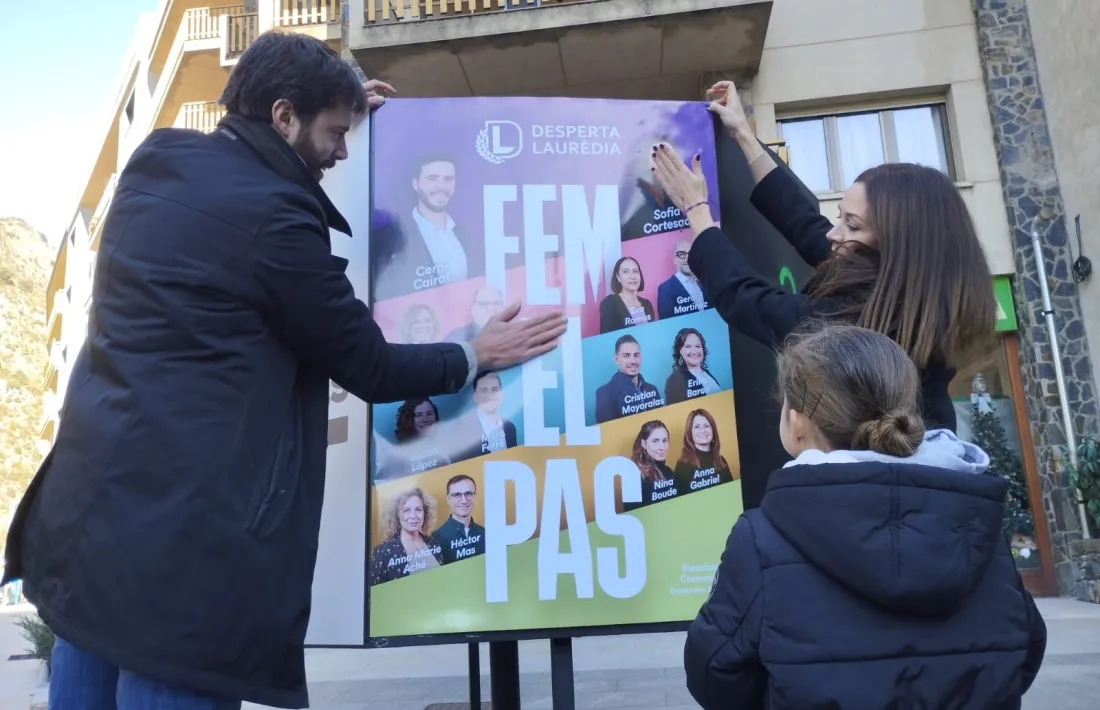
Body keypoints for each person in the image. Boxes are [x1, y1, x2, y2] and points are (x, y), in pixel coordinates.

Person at [0, 32, 566, 710]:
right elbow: (370, 363)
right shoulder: (277, 219)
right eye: (334, 131)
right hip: (184, 573)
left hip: (90, 537)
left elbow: (242, 223)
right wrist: (480, 352)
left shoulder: (156, 163)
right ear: (282, 116)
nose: (343, 150)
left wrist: (345, 106)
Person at [683, 323, 1046, 710]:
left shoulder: (759, 538)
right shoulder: (974, 516)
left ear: (798, 420)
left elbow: (713, 672)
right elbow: (1024, 649)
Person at [649, 81, 997, 433]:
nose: (833, 234)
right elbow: (805, 225)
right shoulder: (918, 294)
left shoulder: (864, 321)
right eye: (840, 217)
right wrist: (743, 134)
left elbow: (752, 302)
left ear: (897, 247)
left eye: (853, 225)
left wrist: (696, 211)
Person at [372, 151, 483, 302]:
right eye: (432, 179)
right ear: (415, 184)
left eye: (448, 179)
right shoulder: (395, 235)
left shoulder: (465, 237)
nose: (441, 186)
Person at [368, 488, 445, 585]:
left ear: (425, 514)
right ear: (397, 515)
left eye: (418, 509)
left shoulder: (433, 543)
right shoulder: (383, 552)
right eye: (406, 510)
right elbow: (375, 595)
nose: (413, 516)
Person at [376, 398, 452, 480]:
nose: (425, 419)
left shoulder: (449, 443)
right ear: (409, 420)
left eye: (429, 414)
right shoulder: (397, 456)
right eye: (418, 415)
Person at [594, 334, 663, 424]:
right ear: (616, 359)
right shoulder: (605, 393)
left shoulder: (652, 389)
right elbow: (608, 433)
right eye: (626, 356)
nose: (633, 361)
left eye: (636, 355)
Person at [457, 370, 517, 459]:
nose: (490, 395)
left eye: (495, 389)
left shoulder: (509, 427)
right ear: (475, 397)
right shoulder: (462, 430)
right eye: (484, 390)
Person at [672, 409, 733, 494]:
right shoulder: (682, 464)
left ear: (713, 429)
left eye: (706, 426)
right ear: (690, 432)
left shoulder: (721, 460)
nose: (703, 431)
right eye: (697, 427)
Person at [624, 421, 678, 512]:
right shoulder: (633, 477)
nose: (662, 447)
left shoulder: (668, 471)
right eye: (655, 441)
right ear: (644, 444)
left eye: (664, 441)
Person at [432, 474, 486, 564]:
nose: (464, 501)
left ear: (475, 496)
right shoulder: (436, 539)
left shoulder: (485, 533)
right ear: (448, 499)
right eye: (457, 495)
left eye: (468, 494)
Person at [664, 328, 722, 404]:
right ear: (680, 350)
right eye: (688, 346)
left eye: (698, 346)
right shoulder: (673, 381)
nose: (694, 351)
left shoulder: (706, 373)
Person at [599, 256, 655, 333]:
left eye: (635, 271)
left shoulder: (647, 304)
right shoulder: (609, 303)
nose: (632, 276)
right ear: (618, 277)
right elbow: (607, 338)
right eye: (626, 271)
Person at [656, 239, 707, 319]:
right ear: (674, 260)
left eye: (691, 254)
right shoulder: (665, 289)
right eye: (682, 254)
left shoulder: (704, 284)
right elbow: (667, 323)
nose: (687, 258)